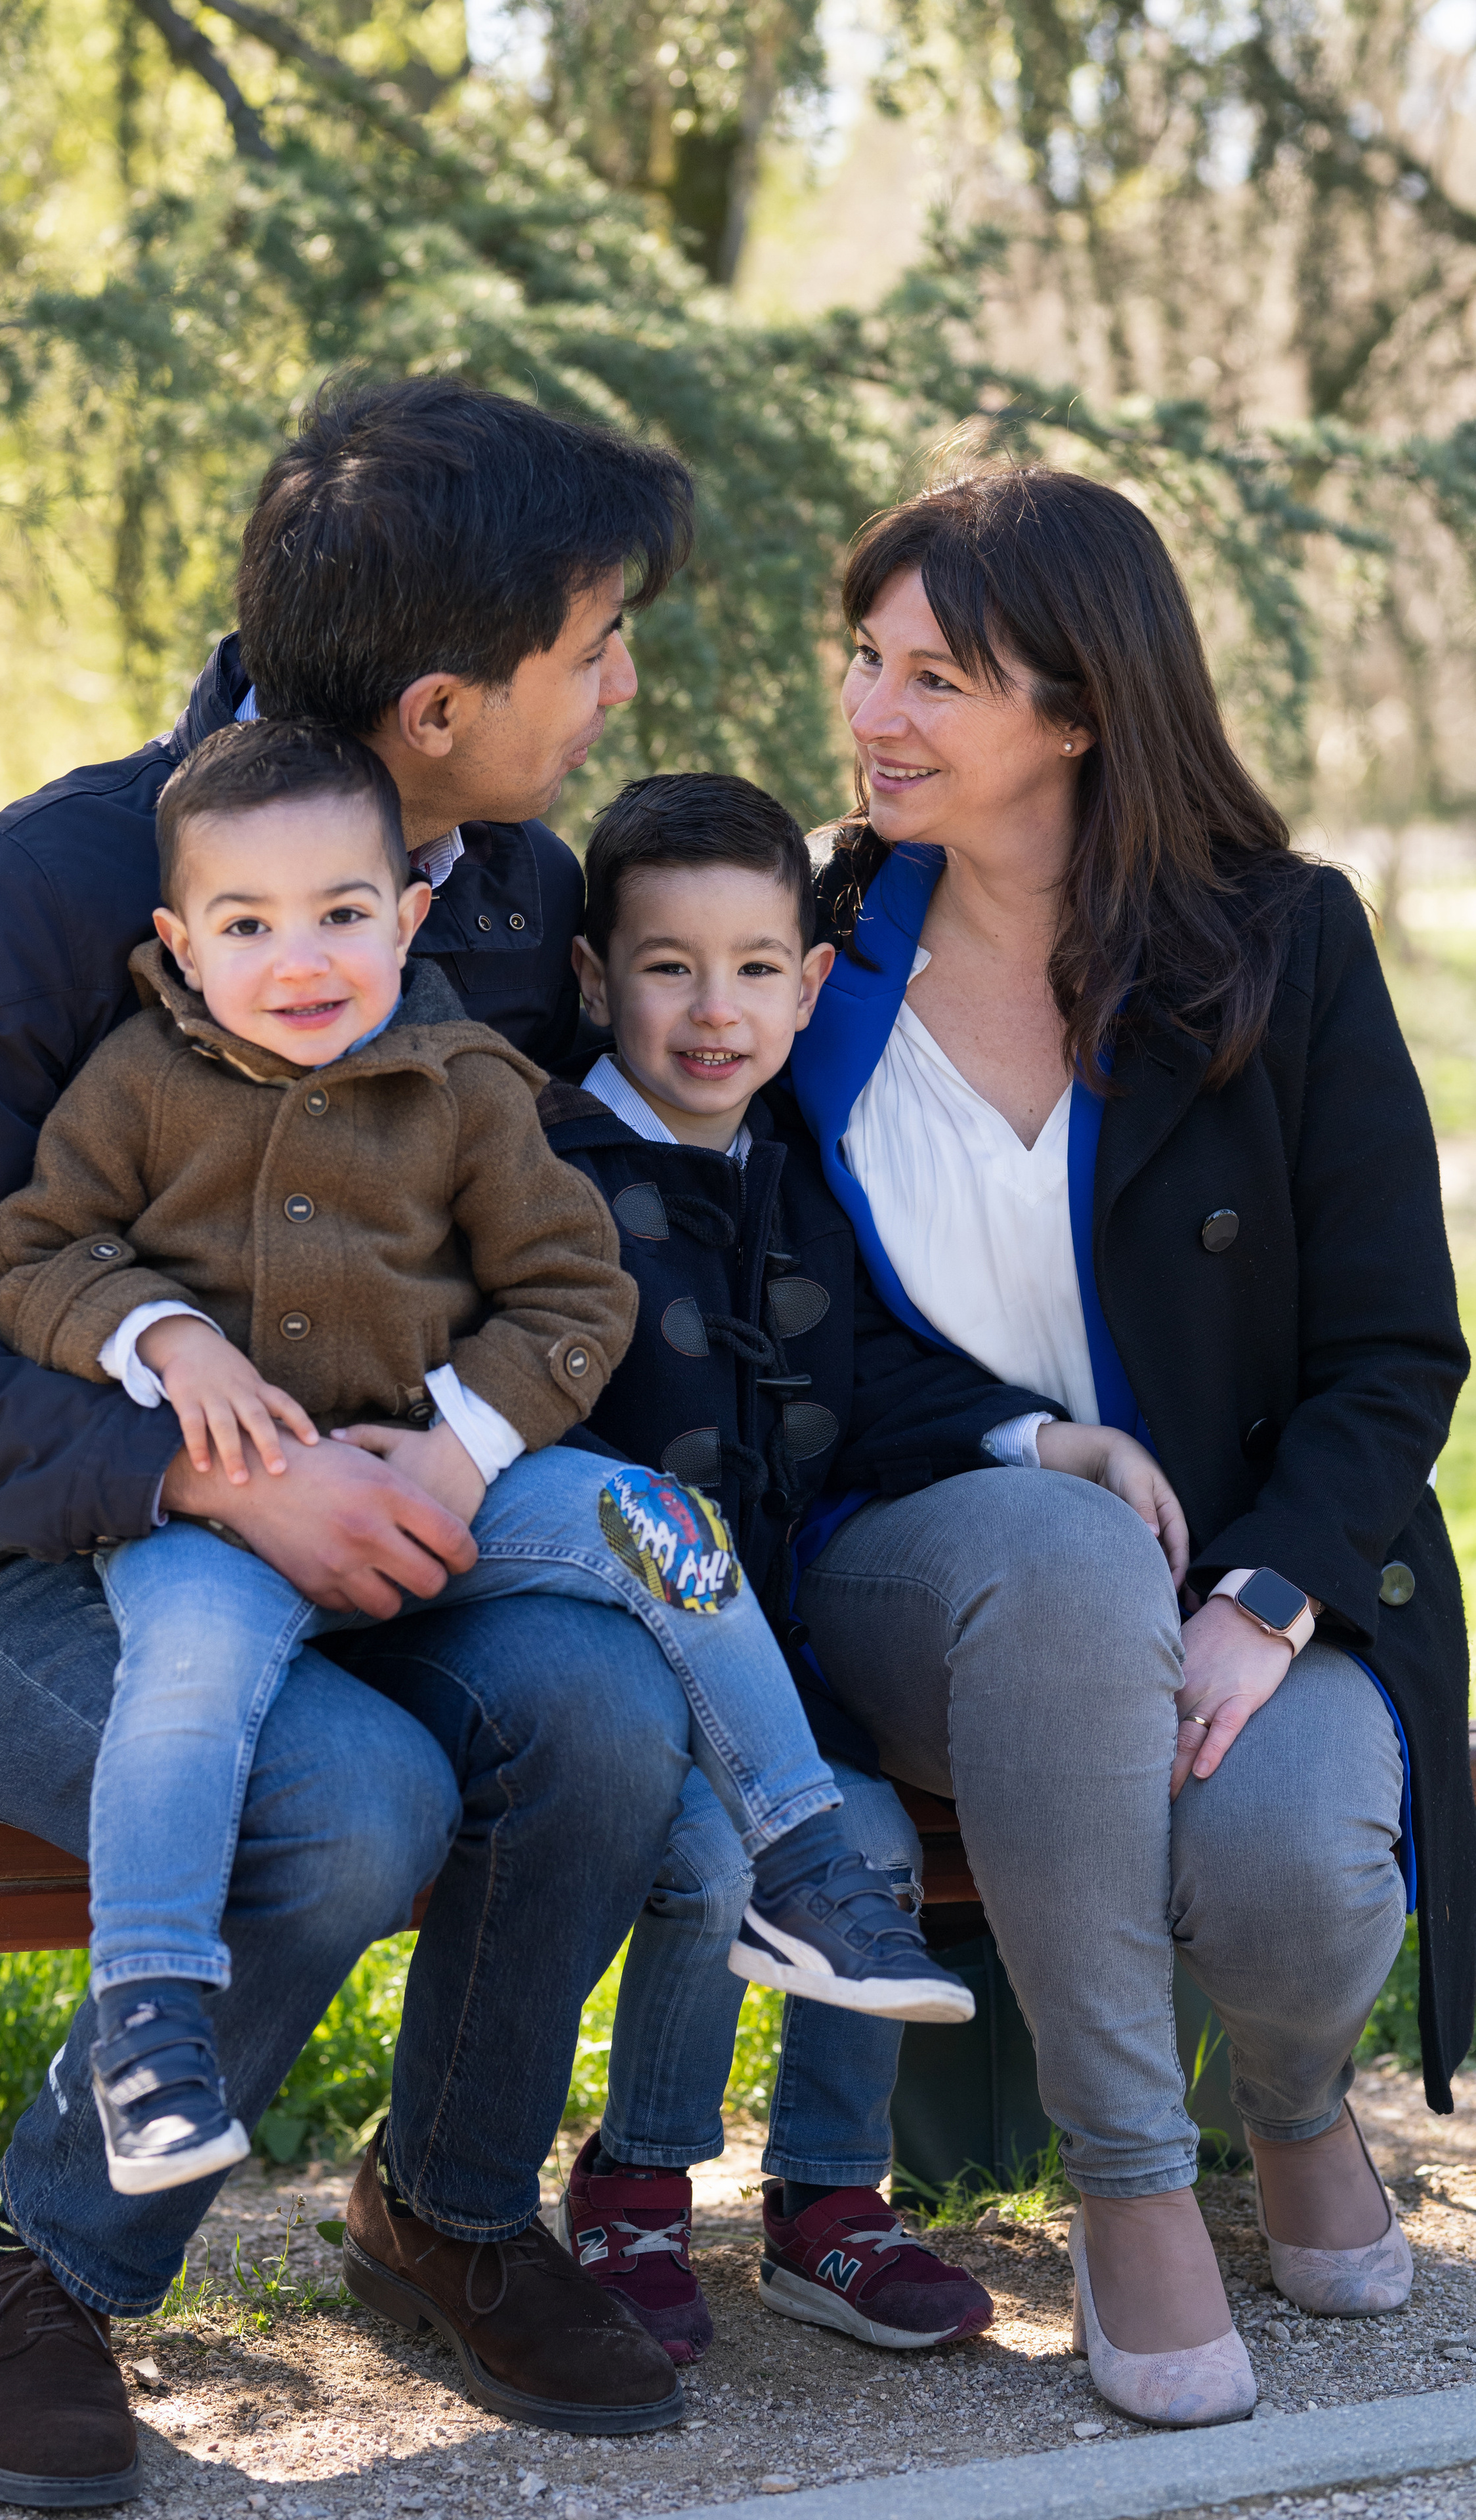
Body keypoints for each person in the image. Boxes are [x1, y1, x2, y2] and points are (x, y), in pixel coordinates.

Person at [0, 374, 735, 2495]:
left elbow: (555, 1256)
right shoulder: (23, 902)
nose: (618, 687)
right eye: (590, 645)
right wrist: (216, 1472)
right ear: (432, 704)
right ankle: (48, 2264)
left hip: (409, 1540)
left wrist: (456, 1464)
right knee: (343, 1795)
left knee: (601, 1701)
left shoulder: (495, 899)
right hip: (47, 1577)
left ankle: (451, 2210)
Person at [0, 720, 977, 2198]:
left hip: (453, 1487)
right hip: (219, 1520)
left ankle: (804, 1863)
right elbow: (32, 1256)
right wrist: (168, 1341)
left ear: (409, 917)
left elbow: (576, 1294)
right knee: (182, 1688)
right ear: (182, 945)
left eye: (341, 914)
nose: (300, 957)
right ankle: (152, 2022)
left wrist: (463, 1446)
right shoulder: (136, 1085)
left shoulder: (465, 1085)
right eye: (247, 925)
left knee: (660, 1527)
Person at [781, 466, 1471, 2427]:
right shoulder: (811, 956)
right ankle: (1131, 2183)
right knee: (1067, 1553)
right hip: (918, 1570)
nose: (875, 713)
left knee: (1299, 1883)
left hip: (1249, 1571)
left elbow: (1396, 1346)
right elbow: (794, 1342)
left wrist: (1263, 1595)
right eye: (868, 659)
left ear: (1078, 712)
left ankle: (1290, 2099)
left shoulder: (1282, 946)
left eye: (940, 679)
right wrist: (1033, 1444)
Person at [535, 770, 1183, 2364]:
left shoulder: (795, 1171)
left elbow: (885, 1375)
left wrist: (1047, 1445)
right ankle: (633, 2184)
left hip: (779, 1655)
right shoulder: (542, 1170)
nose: (712, 1010)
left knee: (865, 1831)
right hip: (605, 1665)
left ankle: (829, 2202)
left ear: (808, 984)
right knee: (705, 1856)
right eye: (665, 966)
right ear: (590, 976)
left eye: (755, 967)